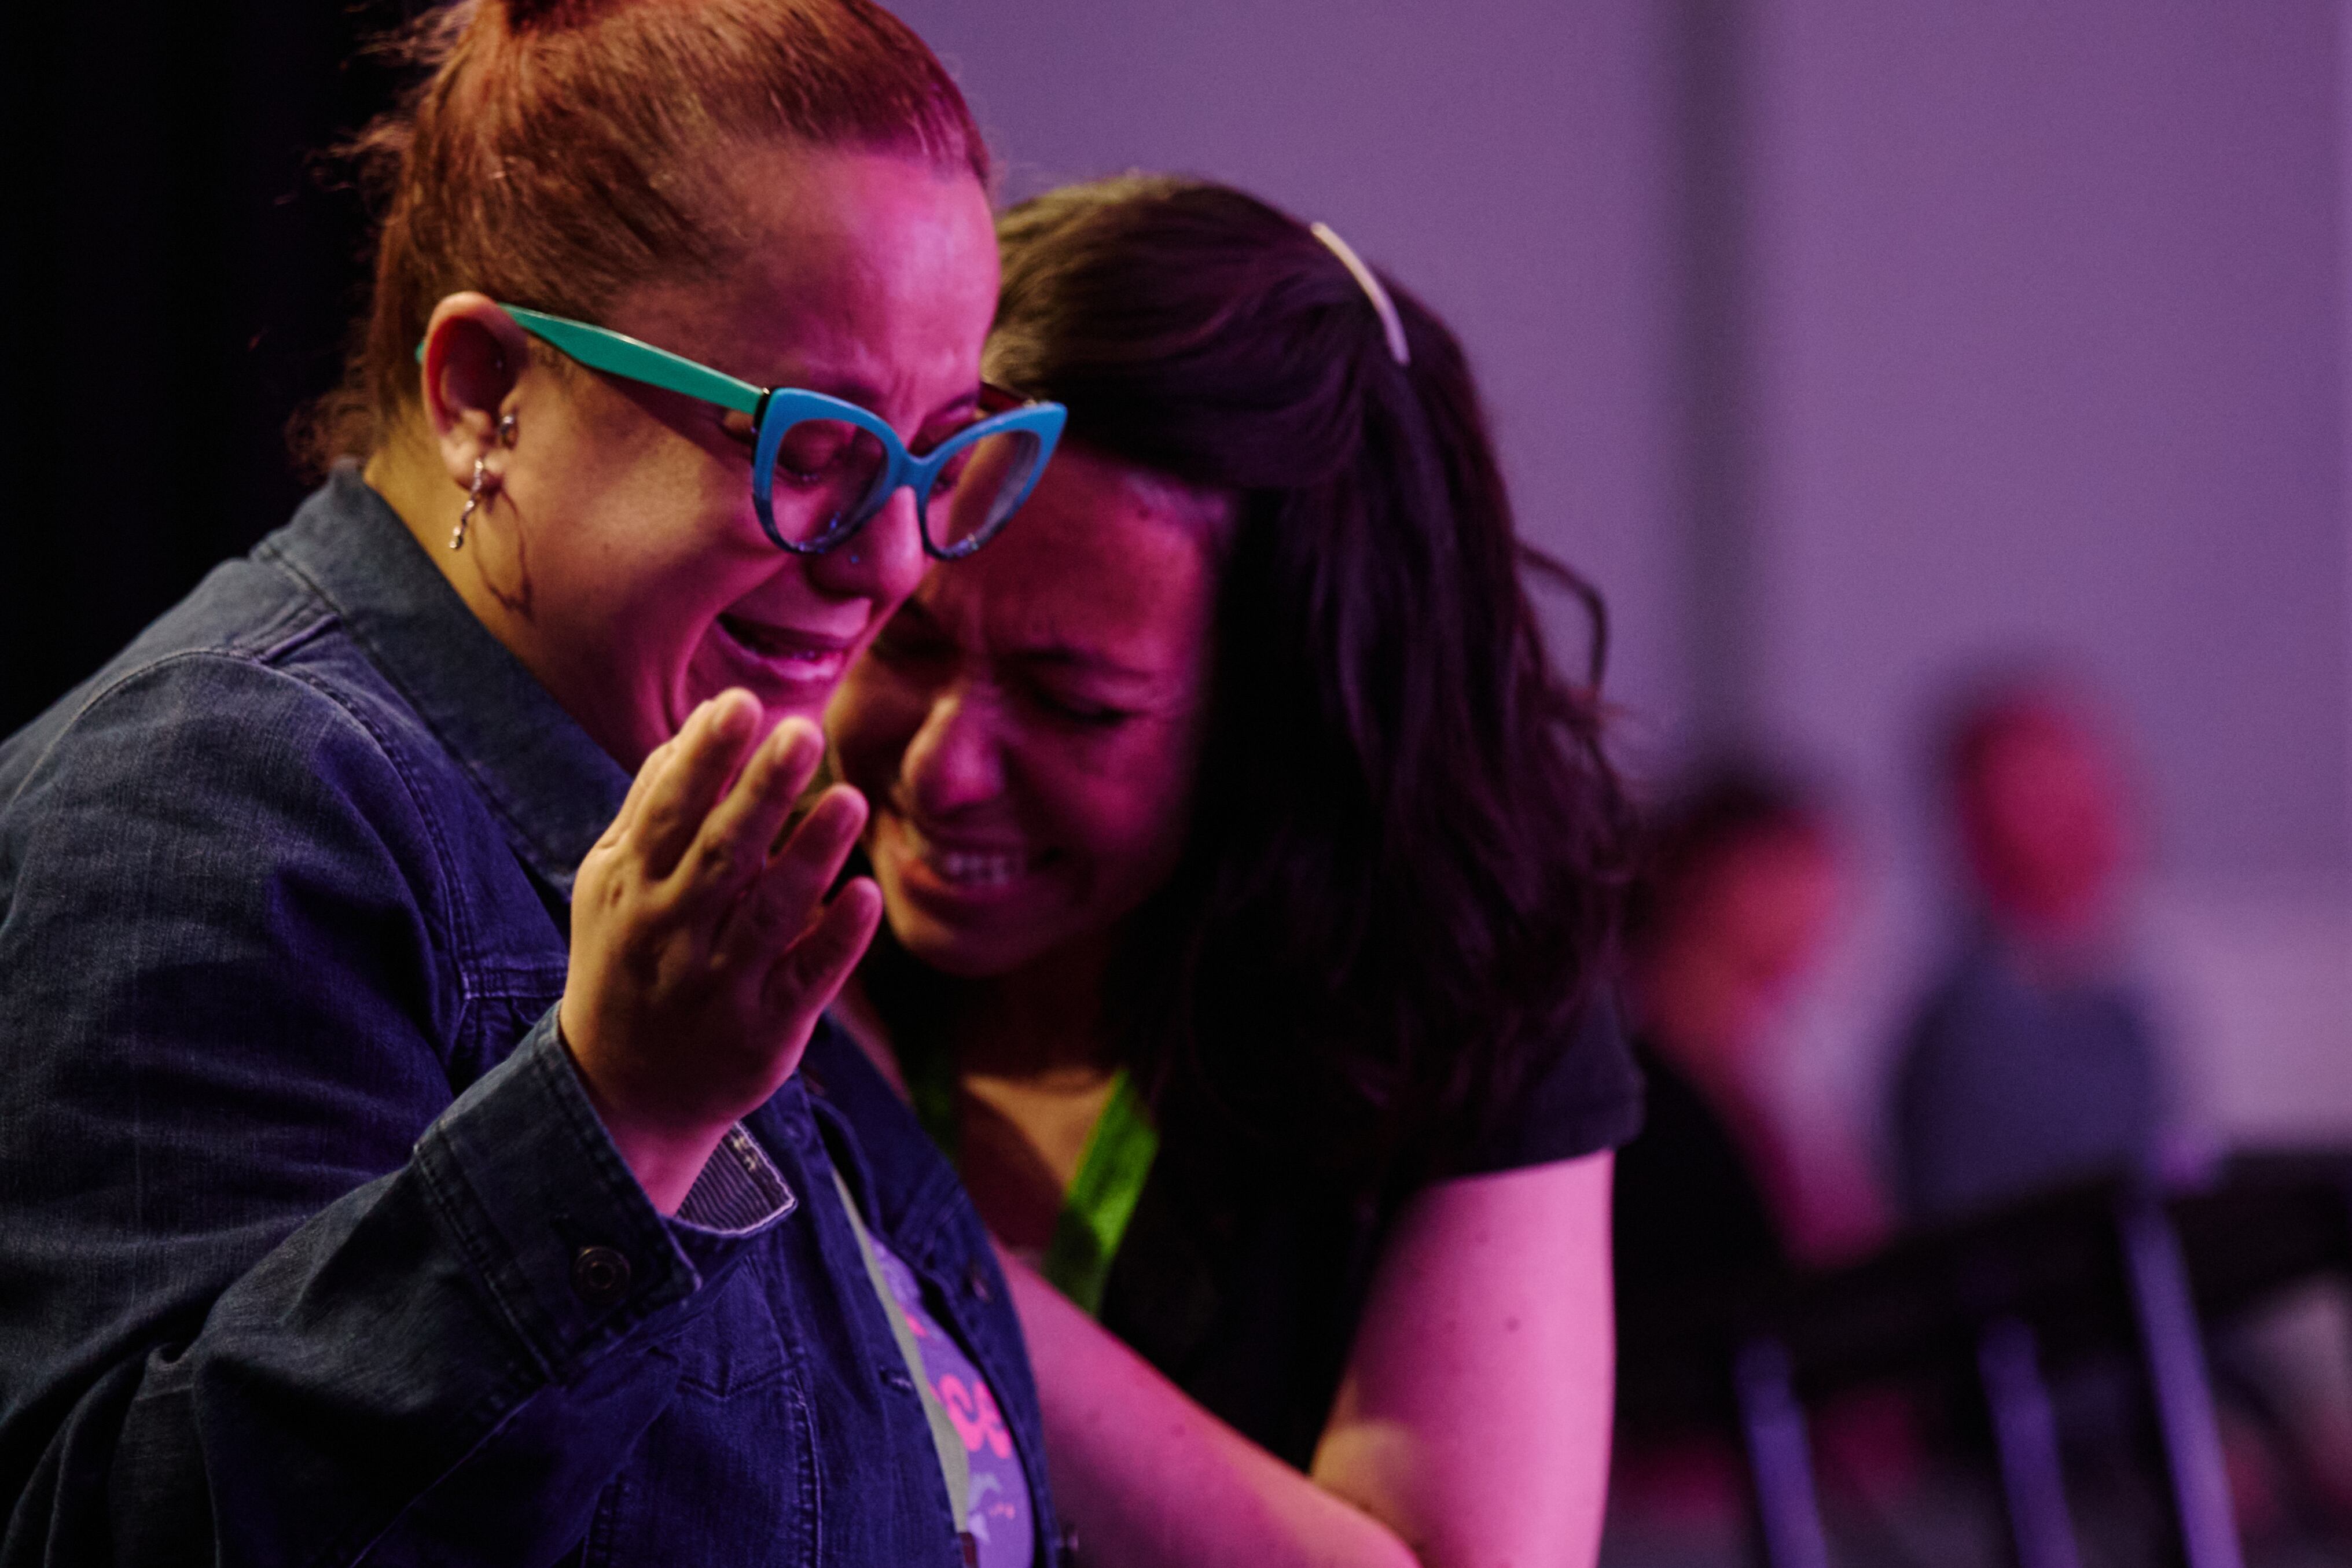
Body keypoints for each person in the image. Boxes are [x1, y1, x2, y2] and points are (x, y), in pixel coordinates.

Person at [0, 2, 1070, 1562]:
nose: (898, 553)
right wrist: (614, 1117)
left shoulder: (661, 803)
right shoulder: (204, 798)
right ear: (486, 388)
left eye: (938, 451)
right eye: (811, 444)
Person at [827, 175, 1643, 1568]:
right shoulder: (727, 882)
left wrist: (891, 1205)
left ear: (1288, 720)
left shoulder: (1457, 989)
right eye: (901, 642)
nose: (945, 769)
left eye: (1074, 703)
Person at [1889, 677, 2173, 1223]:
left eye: (2092, 791)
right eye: (2048, 803)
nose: (2092, 823)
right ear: (1975, 830)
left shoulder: (2118, 1013)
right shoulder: (1968, 1032)